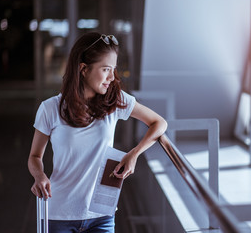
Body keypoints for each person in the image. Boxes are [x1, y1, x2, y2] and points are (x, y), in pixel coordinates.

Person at [28, 32, 167, 233]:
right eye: (105, 69)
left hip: (101, 215)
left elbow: (159, 123)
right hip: (60, 214)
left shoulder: (115, 101)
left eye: (113, 69)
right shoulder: (50, 109)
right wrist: (39, 175)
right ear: (83, 69)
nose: (112, 77)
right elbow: (34, 156)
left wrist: (134, 154)